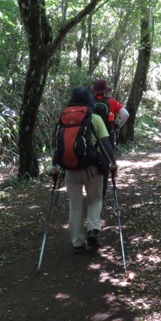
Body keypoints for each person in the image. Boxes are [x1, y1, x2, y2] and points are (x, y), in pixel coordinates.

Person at [50, 86, 117, 254]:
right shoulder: (94, 118)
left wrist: (55, 165)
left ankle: (77, 243)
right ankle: (93, 229)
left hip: (71, 169)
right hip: (93, 169)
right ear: (89, 100)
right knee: (95, 199)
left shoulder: (63, 118)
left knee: (74, 206)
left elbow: (58, 145)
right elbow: (105, 143)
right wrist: (112, 163)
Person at [90, 79, 129, 143]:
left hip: (92, 134)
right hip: (107, 134)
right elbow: (126, 114)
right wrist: (117, 125)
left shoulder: (89, 101)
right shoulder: (112, 102)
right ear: (106, 91)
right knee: (108, 152)